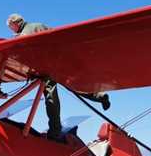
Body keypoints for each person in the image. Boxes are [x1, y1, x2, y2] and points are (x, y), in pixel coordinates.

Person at [6, 13, 110, 141]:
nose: (11, 29)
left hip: (47, 67)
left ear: (15, 23)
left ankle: (55, 131)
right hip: (60, 62)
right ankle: (100, 96)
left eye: (11, 27)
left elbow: (22, 48)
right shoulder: (38, 26)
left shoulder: (26, 31)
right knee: (74, 86)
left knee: (51, 98)